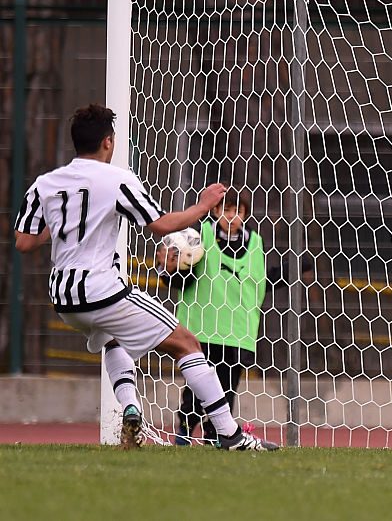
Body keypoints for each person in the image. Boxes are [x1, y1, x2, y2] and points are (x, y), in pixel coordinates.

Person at [13, 104, 277, 451]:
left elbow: (24, 242)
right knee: (187, 343)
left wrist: (66, 222)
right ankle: (230, 434)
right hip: (101, 291)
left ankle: (131, 409)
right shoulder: (117, 179)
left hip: (63, 298)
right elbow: (162, 225)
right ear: (108, 142)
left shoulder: (45, 184)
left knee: (112, 339)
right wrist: (203, 205)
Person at [156, 188, 267, 445]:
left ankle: (217, 434)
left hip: (237, 331)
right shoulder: (199, 239)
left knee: (228, 387)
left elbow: (261, 281)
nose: (232, 216)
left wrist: (297, 267)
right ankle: (185, 429)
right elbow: (183, 279)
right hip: (202, 328)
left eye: (237, 211)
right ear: (215, 212)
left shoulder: (256, 243)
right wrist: (167, 271)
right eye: (226, 210)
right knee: (198, 385)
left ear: (245, 214)